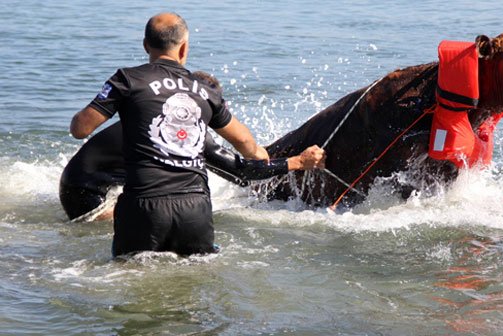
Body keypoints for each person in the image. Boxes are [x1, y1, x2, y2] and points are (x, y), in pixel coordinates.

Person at [70, 12, 323, 257]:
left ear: (146, 45)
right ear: (184, 48)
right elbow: (247, 145)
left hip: (142, 209)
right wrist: (277, 158)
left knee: (131, 278)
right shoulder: (205, 93)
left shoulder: (127, 80)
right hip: (195, 211)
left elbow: (80, 129)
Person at [60, 72, 324, 223]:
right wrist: (298, 162)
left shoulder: (157, 115)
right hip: (86, 196)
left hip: (76, 182)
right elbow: (240, 174)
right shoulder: (185, 132)